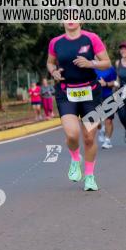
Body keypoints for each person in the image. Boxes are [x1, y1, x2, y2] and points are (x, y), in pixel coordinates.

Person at [46, 22, 111, 191]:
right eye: (66, 15)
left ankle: (89, 177)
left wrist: (91, 64)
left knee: (89, 138)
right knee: (72, 135)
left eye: (74, 14)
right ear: (61, 21)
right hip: (66, 93)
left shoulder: (91, 38)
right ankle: (75, 159)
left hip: (91, 93)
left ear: (80, 19)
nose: (70, 18)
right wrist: (53, 72)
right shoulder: (56, 42)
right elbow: (50, 63)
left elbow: (107, 63)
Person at [94, 63, 117, 150]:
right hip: (94, 97)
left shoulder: (110, 69)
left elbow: (115, 82)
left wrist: (106, 84)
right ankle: (101, 130)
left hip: (108, 96)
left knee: (109, 120)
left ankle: (107, 140)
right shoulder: (91, 68)